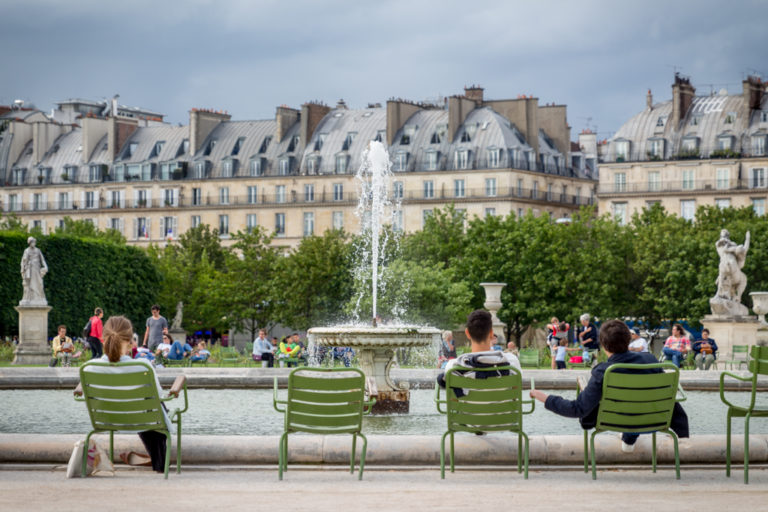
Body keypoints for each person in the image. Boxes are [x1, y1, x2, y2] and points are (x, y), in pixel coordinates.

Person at [530, 319, 689, 453]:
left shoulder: (604, 371)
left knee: (604, 399)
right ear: (628, 340)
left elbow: (577, 409)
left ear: (603, 345)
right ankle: (629, 439)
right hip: (653, 421)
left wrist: (546, 398)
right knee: (637, 399)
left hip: (614, 421)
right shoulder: (650, 361)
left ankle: (628, 437)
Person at [82, 315, 170, 473]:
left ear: (103, 338)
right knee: (154, 408)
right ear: (130, 340)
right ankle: (160, 461)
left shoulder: (89, 368)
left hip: (107, 420)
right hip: (141, 420)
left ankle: (155, 458)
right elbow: (159, 394)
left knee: (148, 408)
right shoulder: (143, 365)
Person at [437, 310, 521, 391]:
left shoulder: (453, 366)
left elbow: (453, 400)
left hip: (466, 405)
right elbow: (515, 393)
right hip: (504, 406)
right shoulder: (511, 361)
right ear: (491, 333)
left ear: (467, 333)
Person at [20, 236, 48, 306]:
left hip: (37, 269)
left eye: (34, 242)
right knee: (28, 284)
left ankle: (39, 297)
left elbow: (43, 260)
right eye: (32, 242)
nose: (34, 243)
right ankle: (29, 298)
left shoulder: (38, 250)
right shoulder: (26, 251)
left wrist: (46, 266)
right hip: (30, 269)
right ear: (29, 243)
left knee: (39, 283)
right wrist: (23, 269)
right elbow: (23, 261)